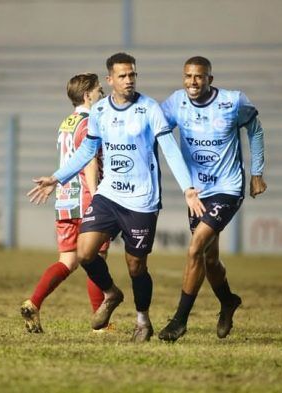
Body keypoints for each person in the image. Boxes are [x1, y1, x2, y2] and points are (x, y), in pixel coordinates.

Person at [27, 52, 205, 342]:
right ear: (110, 80)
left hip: (142, 199)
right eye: (122, 76)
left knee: (136, 265)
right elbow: (87, 152)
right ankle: (111, 293)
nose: (129, 80)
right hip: (109, 194)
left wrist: (187, 187)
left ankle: (142, 320)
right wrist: (57, 177)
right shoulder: (99, 112)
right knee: (85, 253)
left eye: (132, 75)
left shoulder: (149, 108)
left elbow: (169, 149)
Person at [158, 56, 267, 342]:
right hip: (197, 194)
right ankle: (228, 301)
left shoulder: (233, 102)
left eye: (199, 77)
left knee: (194, 249)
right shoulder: (175, 103)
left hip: (228, 188)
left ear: (210, 79)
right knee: (210, 258)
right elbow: (157, 129)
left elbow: (255, 130)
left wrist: (257, 172)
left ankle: (179, 321)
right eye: (188, 76)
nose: (193, 82)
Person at [20, 73, 111, 333]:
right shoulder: (91, 122)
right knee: (96, 260)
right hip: (85, 198)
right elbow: (90, 160)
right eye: (98, 90)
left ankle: (34, 302)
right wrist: (97, 197)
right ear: (87, 96)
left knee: (68, 261)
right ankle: (100, 325)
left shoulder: (67, 123)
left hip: (65, 200)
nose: (102, 93)